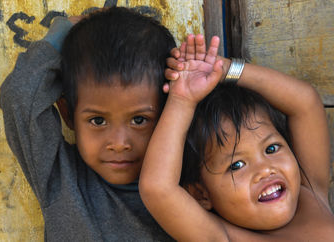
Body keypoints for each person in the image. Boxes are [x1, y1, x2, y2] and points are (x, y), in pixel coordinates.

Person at [0, 7, 176, 241]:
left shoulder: (189, 186)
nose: (119, 143)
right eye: (98, 120)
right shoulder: (62, 180)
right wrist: (62, 32)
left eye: (139, 120)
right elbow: (18, 97)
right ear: (68, 115)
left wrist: (221, 71)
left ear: (168, 113)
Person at [139, 33, 334, 241]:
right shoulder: (223, 237)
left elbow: (305, 103)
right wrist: (182, 100)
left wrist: (224, 70)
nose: (265, 169)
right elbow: (158, 188)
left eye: (271, 149)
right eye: (237, 165)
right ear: (201, 194)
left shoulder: (311, 195)